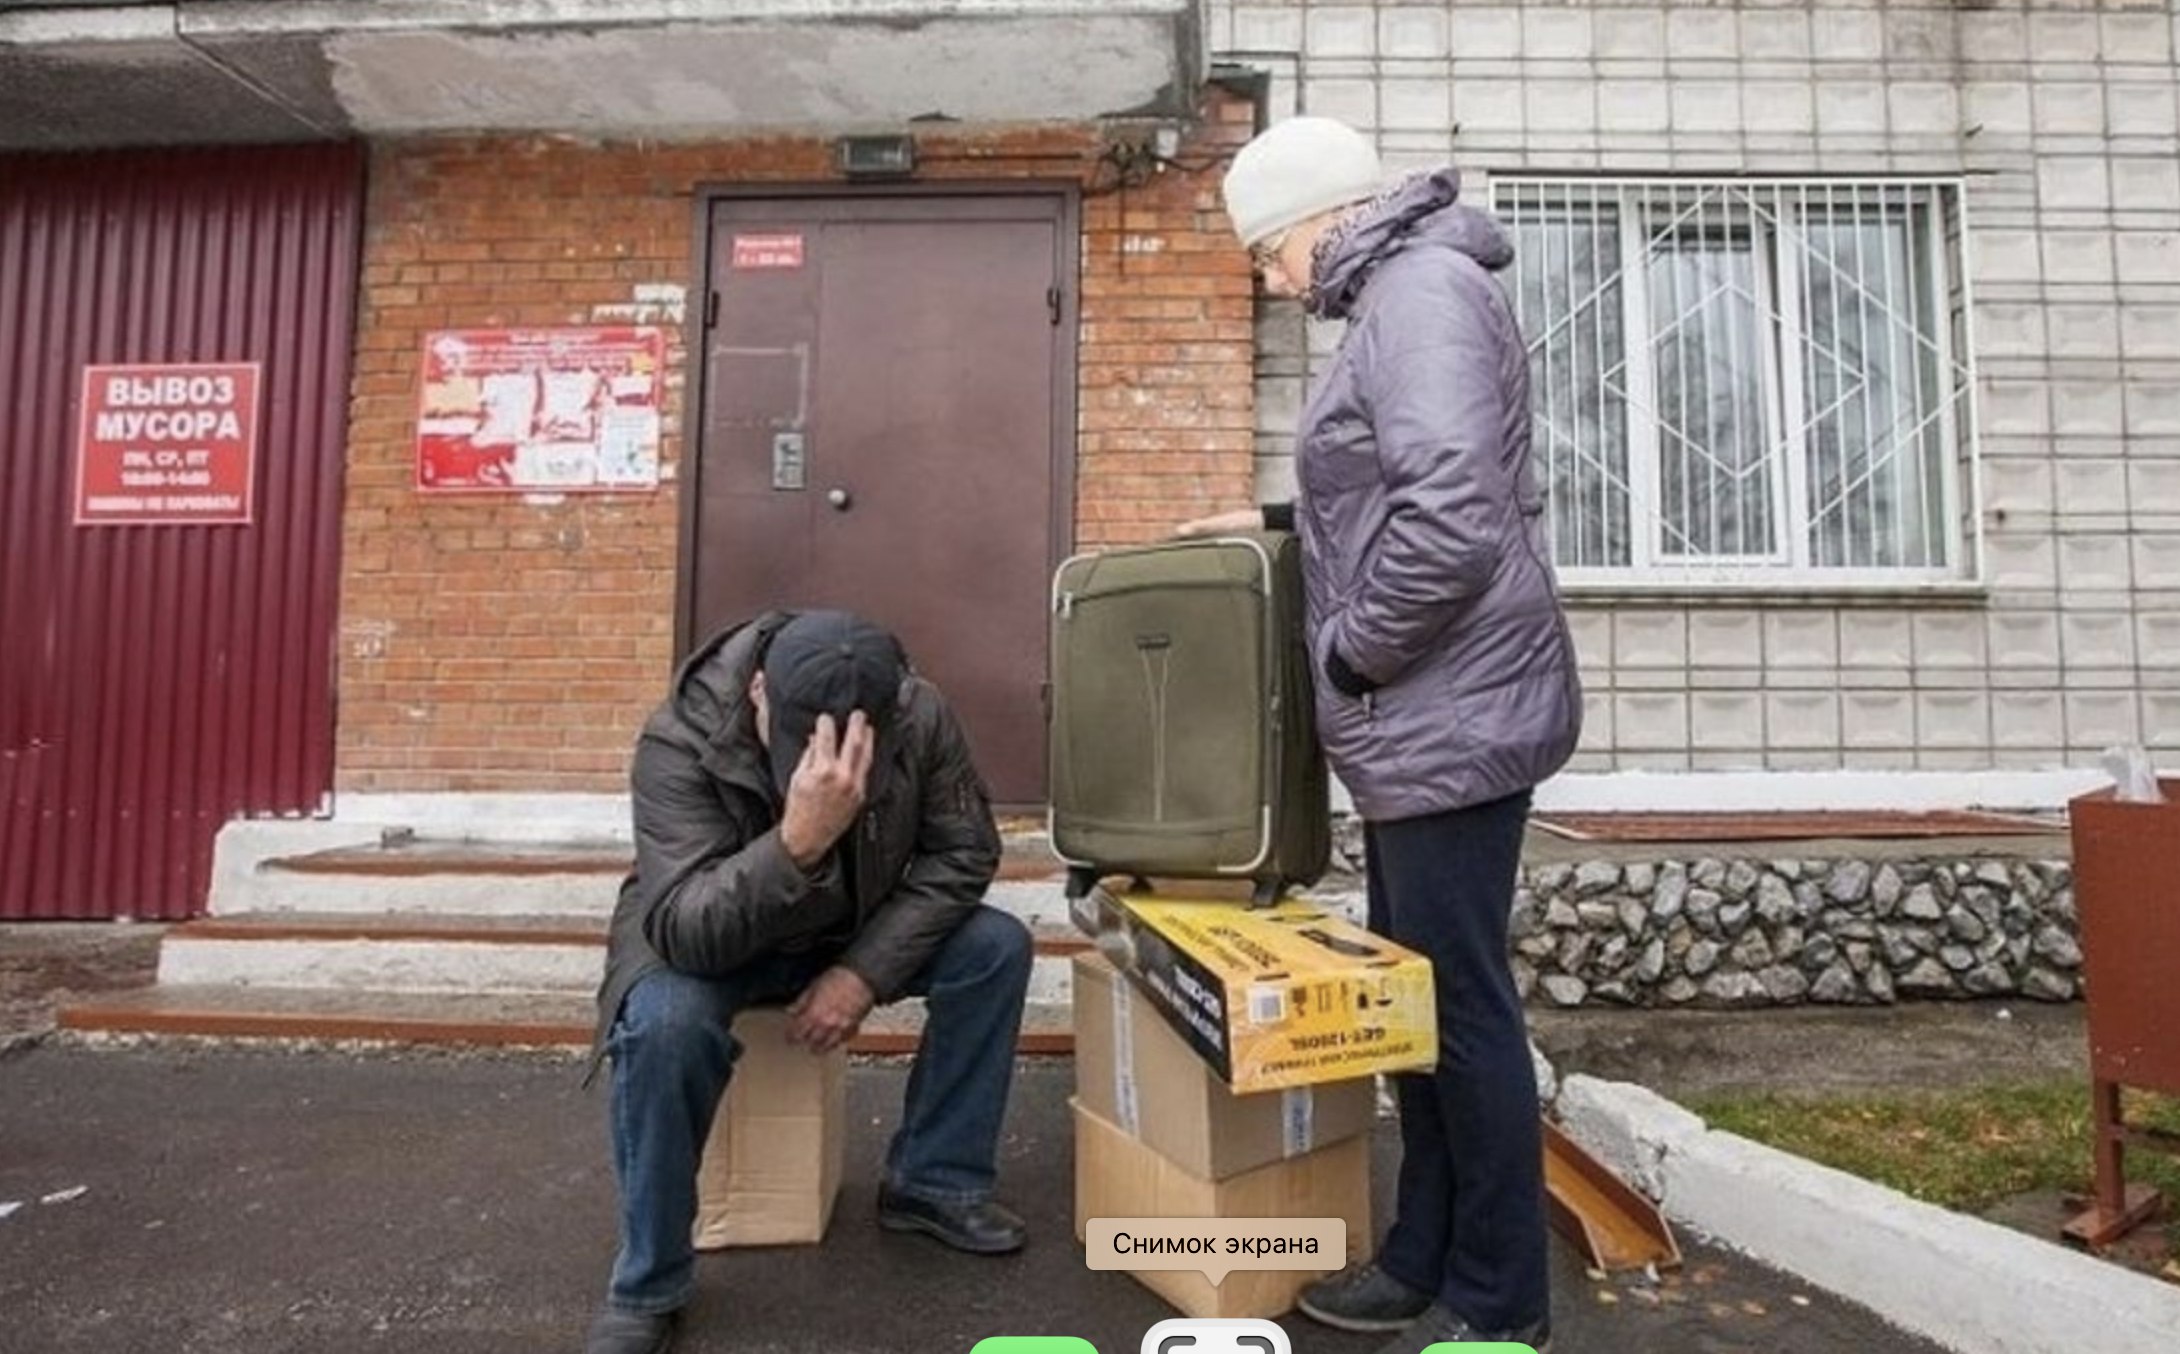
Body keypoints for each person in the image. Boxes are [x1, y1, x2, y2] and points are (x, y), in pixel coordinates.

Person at [1182, 116, 1582, 1353]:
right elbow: (1385, 480)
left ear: (1310, 222)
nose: (1268, 279)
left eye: (1263, 254)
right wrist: (1259, 519)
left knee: (1457, 1012)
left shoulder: (1420, 295)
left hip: (1445, 705)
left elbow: (1450, 517)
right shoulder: (1400, 300)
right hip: (1429, 716)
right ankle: (1420, 1257)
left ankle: (1498, 1299)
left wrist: (1350, 651)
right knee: (1422, 1007)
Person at [585, 609, 1032, 1354]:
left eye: (855, 747)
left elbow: (963, 854)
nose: (824, 766)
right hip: (712, 939)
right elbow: (688, 929)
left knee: (995, 949)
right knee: (663, 1025)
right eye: (801, 746)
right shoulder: (681, 739)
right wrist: (799, 840)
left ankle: (934, 1182)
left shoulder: (920, 714)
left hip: (852, 922)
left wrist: (862, 972)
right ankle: (649, 1283)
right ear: (757, 691)